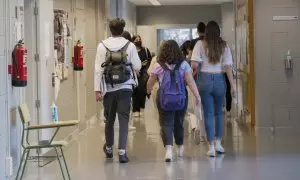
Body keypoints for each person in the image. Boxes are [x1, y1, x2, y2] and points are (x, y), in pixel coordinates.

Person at [94, 18, 141, 163]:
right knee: (124, 119)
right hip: (126, 87)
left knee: (109, 119)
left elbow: (98, 70)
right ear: (122, 30)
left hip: (108, 88)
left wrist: (97, 90)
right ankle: (122, 152)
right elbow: (138, 66)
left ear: (110, 29)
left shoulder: (102, 45)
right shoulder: (130, 46)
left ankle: (109, 149)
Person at [147, 40, 200, 162]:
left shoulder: (158, 65)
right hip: (181, 97)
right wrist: (197, 96)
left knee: (166, 122)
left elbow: (150, 82)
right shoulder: (184, 65)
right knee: (179, 121)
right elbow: (191, 82)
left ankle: (169, 150)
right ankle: (180, 148)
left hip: (164, 98)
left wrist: (148, 91)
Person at [191, 21, 236, 157]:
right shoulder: (224, 45)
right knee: (219, 113)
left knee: (208, 114)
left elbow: (194, 64)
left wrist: (197, 69)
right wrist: (233, 86)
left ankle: (210, 147)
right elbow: (228, 67)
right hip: (219, 80)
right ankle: (218, 143)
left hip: (204, 80)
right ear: (219, 32)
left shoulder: (200, 44)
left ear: (206, 32)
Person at [132, 35, 152, 117]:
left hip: (143, 73)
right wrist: (135, 70)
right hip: (134, 73)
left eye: (140, 39)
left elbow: (149, 60)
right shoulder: (131, 51)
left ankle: (142, 107)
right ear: (133, 41)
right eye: (136, 40)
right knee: (135, 92)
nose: (138, 41)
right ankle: (135, 109)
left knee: (142, 91)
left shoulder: (146, 50)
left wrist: (146, 69)